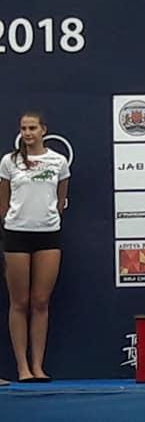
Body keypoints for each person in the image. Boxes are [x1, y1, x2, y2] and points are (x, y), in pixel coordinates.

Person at [0, 112, 70, 382]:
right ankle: (22, 368)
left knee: (41, 302)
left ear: (43, 130)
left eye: (32, 128)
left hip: (48, 234)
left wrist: (47, 217)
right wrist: (12, 221)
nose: (28, 133)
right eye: (24, 128)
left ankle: (38, 366)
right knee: (19, 302)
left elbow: (61, 199)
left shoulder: (58, 161)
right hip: (16, 235)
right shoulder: (9, 161)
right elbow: (3, 201)